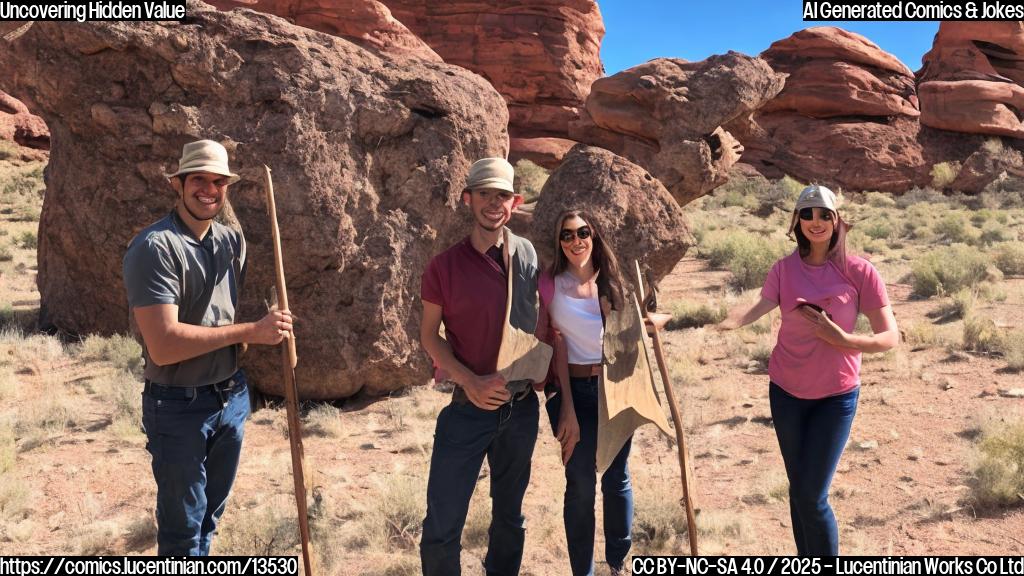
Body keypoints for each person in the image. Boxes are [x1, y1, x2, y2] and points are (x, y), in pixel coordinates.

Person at [122, 140, 293, 555]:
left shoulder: (231, 241)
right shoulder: (155, 247)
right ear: (176, 184)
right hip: (178, 405)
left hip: (230, 397)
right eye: (199, 179)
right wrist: (250, 331)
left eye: (219, 181)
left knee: (208, 519)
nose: (209, 189)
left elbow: (219, 311)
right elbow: (162, 346)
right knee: (182, 533)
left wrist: (272, 327)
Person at [719, 184, 899, 556]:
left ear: (836, 221)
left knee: (812, 496)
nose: (815, 222)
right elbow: (757, 306)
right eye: (807, 214)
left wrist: (844, 340)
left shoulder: (859, 272)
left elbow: (889, 337)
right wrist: (714, 325)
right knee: (798, 487)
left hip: (835, 397)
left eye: (823, 215)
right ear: (797, 221)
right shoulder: (784, 270)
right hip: (786, 392)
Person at [419, 157, 542, 576]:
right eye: (485, 194)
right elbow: (429, 336)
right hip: (469, 409)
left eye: (503, 195)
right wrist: (468, 381)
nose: (494, 203)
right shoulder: (444, 267)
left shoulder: (526, 254)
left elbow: (541, 319)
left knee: (510, 519)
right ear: (467, 198)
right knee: (442, 523)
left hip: (521, 409)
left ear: (516, 202)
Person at [536, 209, 632, 576]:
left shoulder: (611, 281)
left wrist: (625, 320)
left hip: (614, 387)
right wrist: (566, 409)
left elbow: (629, 338)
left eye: (583, 232)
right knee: (579, 482)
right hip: (569, 388)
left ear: (594, 235)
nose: (576, 241)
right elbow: (550, 341)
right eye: (567, 235)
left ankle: (617, 563)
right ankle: (583, 570)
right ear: (559, 242)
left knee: (615, 478)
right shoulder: (550, 282)